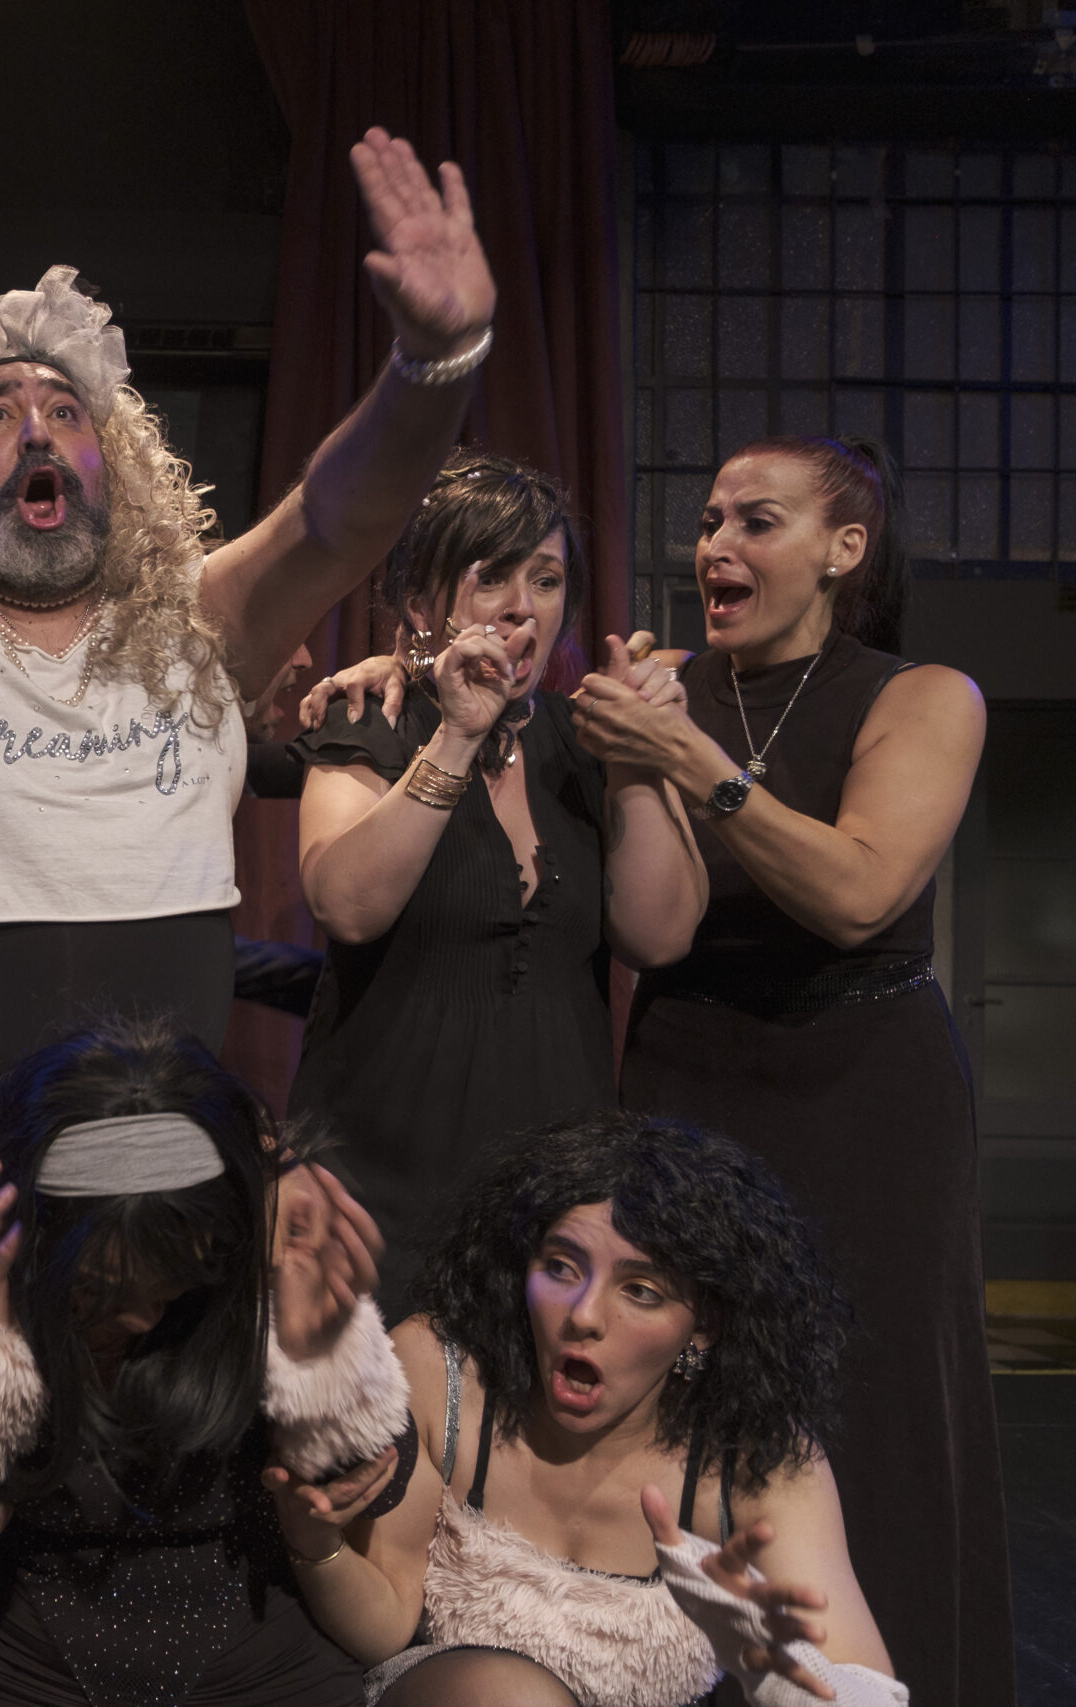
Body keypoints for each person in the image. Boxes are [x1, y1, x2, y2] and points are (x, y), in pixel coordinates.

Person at [0, 66, 499, 1172]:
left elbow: (337, 519)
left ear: (114, 465)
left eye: (65, 411)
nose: (38, 429)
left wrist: (431, 366)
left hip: (154, 1153)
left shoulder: (200, 623)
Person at [558, 435, 1005, 1705]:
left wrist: (687, 758)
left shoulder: (921, 696)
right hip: (690, 1078)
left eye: (756, 521)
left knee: (871, 1409)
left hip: (865, 1088)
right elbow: (652, 933)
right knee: (676, 1393)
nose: (715, 546)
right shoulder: (657, 691)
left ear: (842, 549)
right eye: (708, 521)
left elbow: (859, 893)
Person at [268, 1112, 908, 1707]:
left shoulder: (758, 1458)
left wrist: (778, 1673)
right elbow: (385, 1624)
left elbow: (866, 1691)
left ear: (704, 1326)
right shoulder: (440, 1370)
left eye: (641, 1290)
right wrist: (315, 1544)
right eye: (561, 1267)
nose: (584, 1315)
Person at [0, 1018, 415, 1705]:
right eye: (98, 1292)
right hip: (15, 1659)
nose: (140, 1320)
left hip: (254, 1657)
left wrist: (318, 1358)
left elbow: (369, 1481)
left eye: (171, 1287)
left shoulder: (274, 1238)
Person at [288, 454, 704, 1294]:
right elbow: (347, 904)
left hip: (560, 1192)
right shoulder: (372, 719)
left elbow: (658, 935)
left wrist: (640, 755)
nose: (522, 605)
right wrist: (456, 735)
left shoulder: (587, 742)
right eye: (493, 578)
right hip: (379, 1187)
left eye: (545, 579)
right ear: (422, 604)